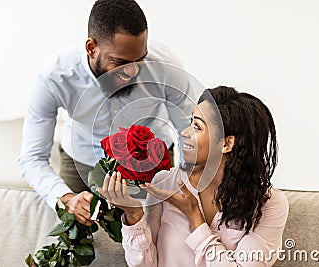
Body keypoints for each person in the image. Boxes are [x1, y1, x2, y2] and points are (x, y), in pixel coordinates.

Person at [18, 0, 197, 228]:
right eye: (120, 62)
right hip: (80, 163)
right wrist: (64, 197)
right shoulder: (53, 78)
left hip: (152, 167)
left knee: (156, 242)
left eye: (140, 60)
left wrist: (184, 182)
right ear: (91, 48)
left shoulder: (167, 68)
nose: (132, 71)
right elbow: (32, 158)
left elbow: (190, 134)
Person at [97, 86, 289, 266]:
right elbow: (145, 264)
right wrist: (134, 215)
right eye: (190, 122)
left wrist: (194, 217)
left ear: (226, 144)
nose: (184, 132)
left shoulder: (269, 204)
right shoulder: (165, 183)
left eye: (197, 127)